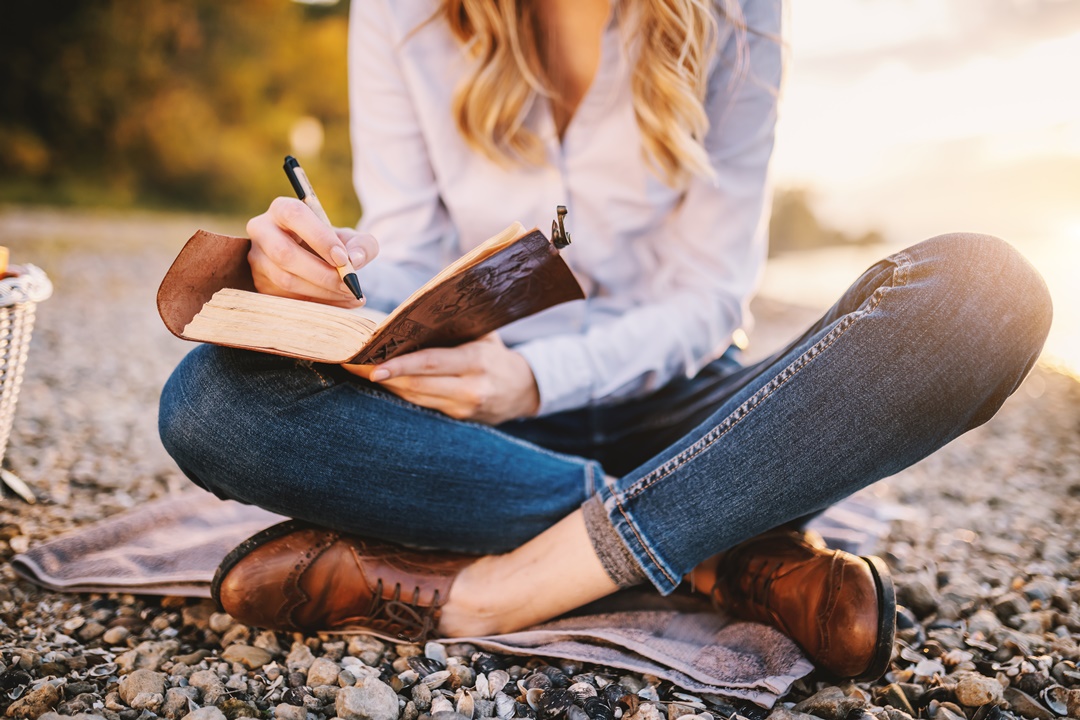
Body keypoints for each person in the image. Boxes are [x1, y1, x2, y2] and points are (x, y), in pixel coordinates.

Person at [158, 0, 1052, 682]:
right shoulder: (404, 12)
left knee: (987, 294)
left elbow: (707, 298)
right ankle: (719, 550)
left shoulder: (736, 12)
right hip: (478, 433)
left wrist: (537, 378)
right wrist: (312, 277)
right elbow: (411, 257)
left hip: (689, 412)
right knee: (212, 403)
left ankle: (499, 588)